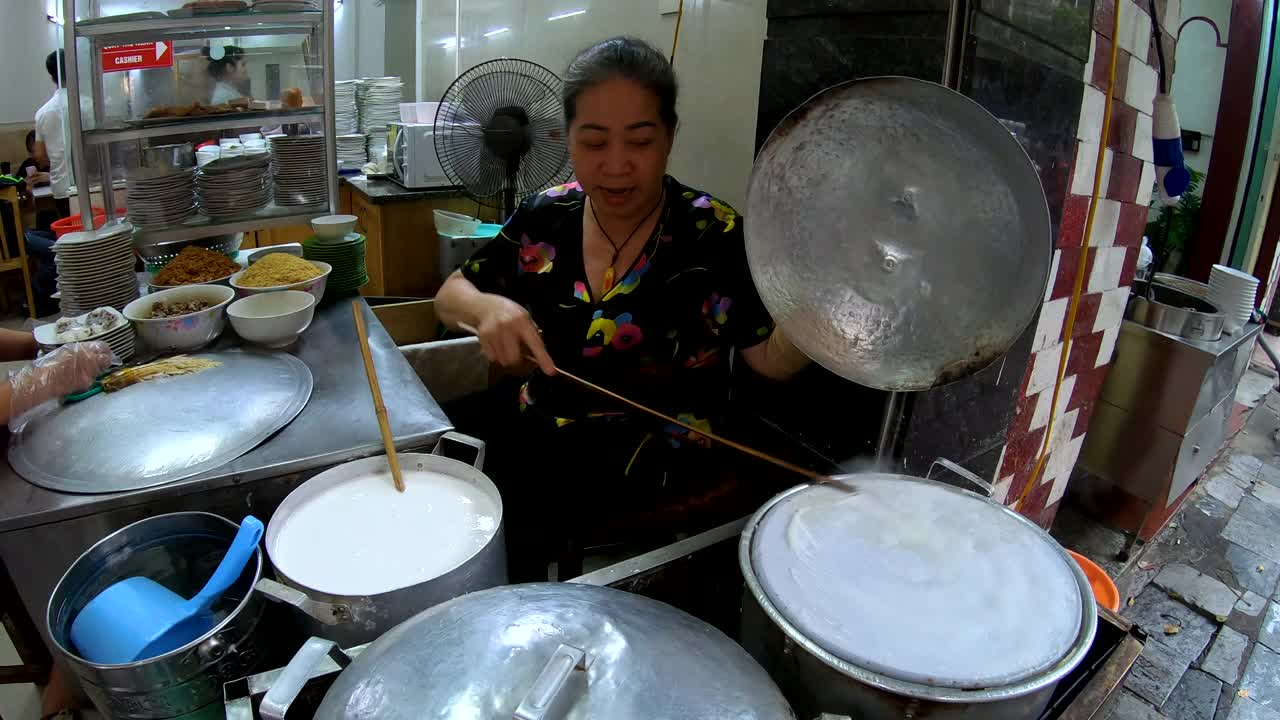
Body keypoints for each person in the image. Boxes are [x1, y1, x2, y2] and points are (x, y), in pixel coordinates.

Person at [436, 36, 811, 579]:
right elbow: (452, 293)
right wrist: (487, 309)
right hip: (540, 441)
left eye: (640, 141)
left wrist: (819, 314)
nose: (616, 166)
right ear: (566, 139)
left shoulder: (713, 232)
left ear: (670, 137)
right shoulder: (546, 215)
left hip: (661, 460)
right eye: (593, 142)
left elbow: (768, 360)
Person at [34, 50, 70, 219]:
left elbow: (40, 156)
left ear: (51, 76)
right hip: (89, 186)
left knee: (71, 235)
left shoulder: (42, 113)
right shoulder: (87, 105)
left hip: (61, 188)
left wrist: (57, 163)